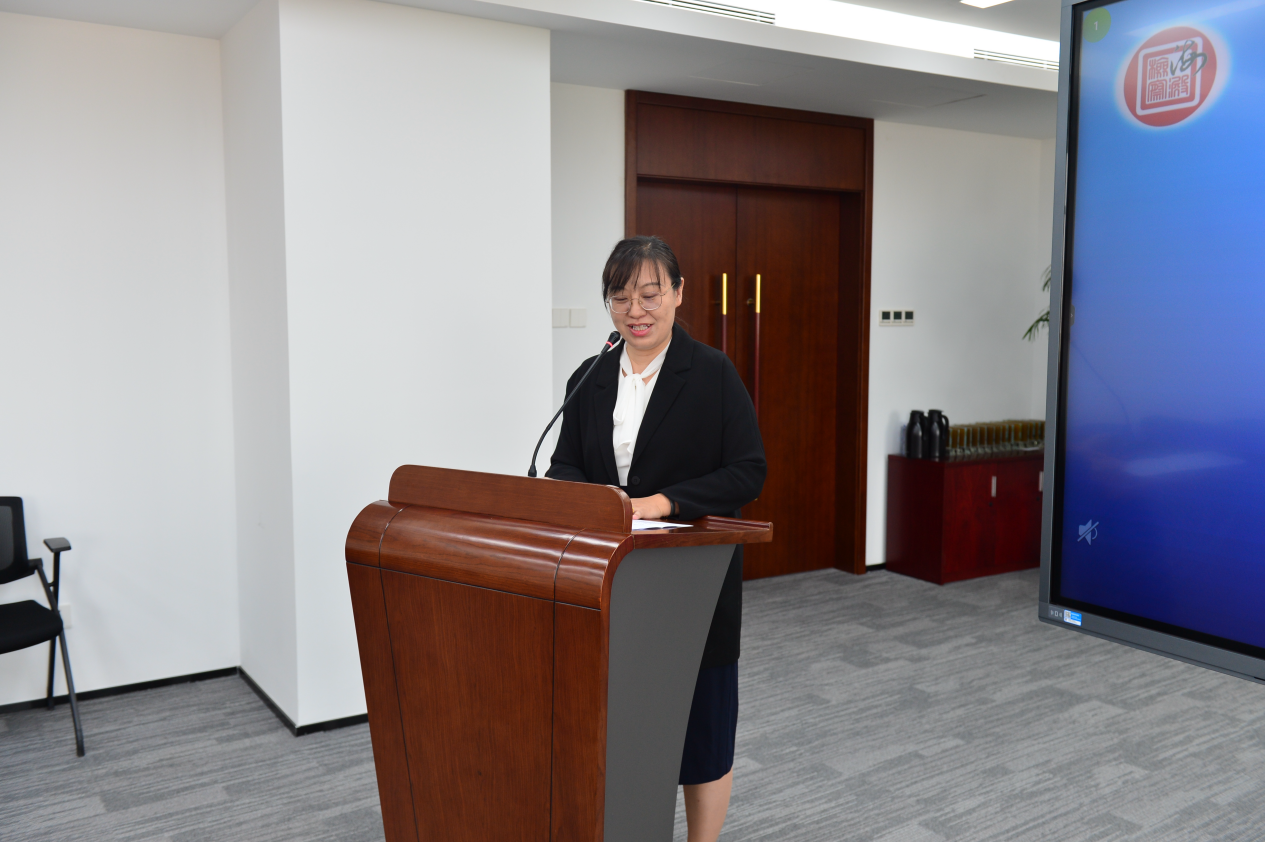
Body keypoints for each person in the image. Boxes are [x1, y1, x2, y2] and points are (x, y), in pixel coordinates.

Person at [547, 236, 766, 842]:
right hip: (612, 580)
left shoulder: (713, 373)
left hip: (692, 583)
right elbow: (563, 465)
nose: (635, 311)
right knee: (623, 728)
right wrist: (598, 502)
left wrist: (664, 502)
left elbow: (748, 472)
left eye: (650, 294)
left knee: (702, 731)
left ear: (678, 293)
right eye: (620, 298)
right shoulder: (590, 376)